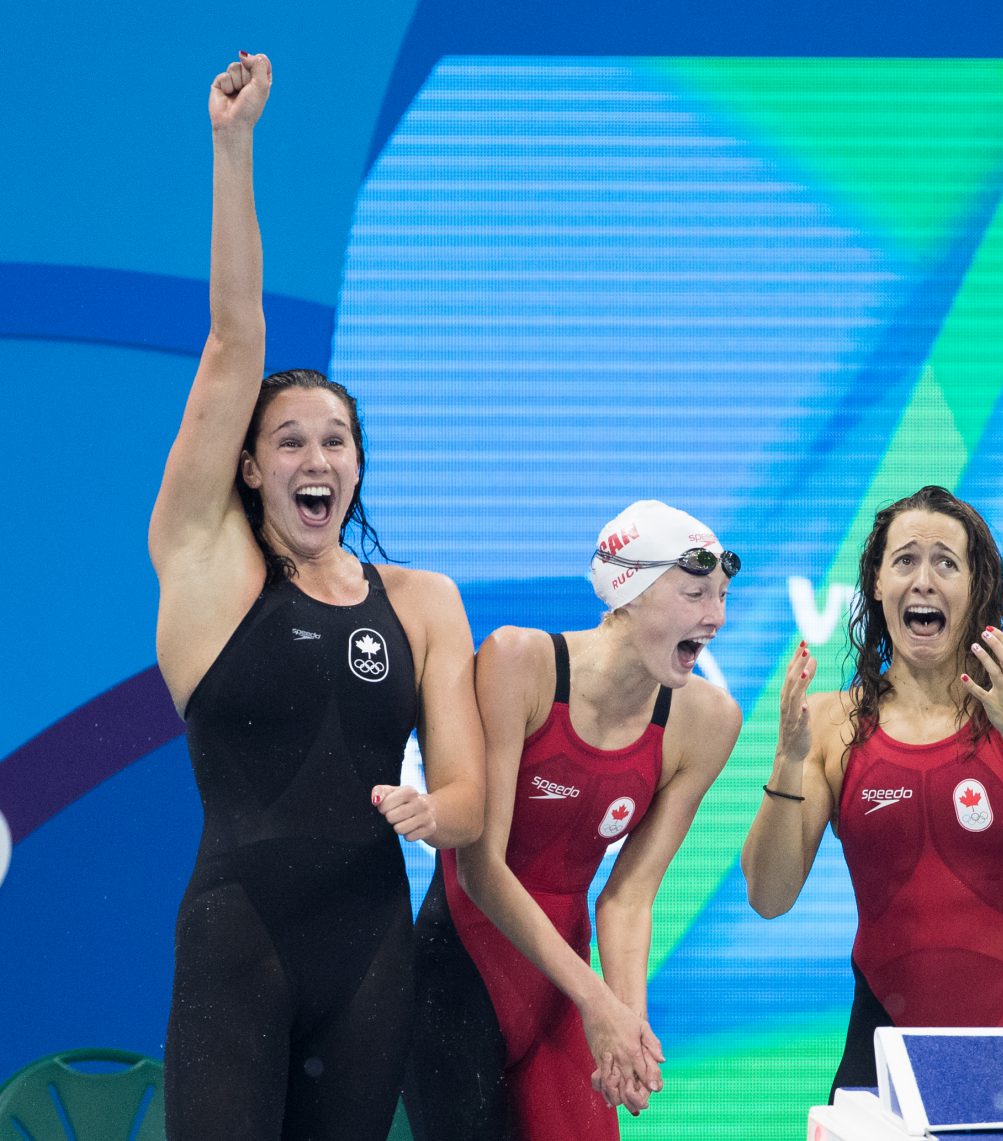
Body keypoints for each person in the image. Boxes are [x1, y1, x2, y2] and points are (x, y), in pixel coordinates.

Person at [148, 53, 485, 1139]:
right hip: (237, 942)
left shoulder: (424, 600)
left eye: (334, 440)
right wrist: (231, 145)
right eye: (287, 439)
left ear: (356, 465)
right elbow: (233, 339)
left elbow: (473, 801)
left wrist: (438, 813)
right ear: (247, 466)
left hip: (373, 946)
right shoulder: (208, 566)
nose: (315, 456)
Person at [741, 485, 1003, 1096]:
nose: (923, 580)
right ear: (876, 586)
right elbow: (768, 895)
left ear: (976, 590)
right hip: (881, 1046)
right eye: (904, 561)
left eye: (946, 561)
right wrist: (788, 763)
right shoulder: (834, 723)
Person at [403, 500, 743, 1141]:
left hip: (564, 988)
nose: (716, 617)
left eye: (723, 597)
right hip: (461, 972)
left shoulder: (708, 722)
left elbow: (630, 896)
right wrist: (598, 1003)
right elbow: (479, 867)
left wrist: (628, 1026)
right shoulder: (520, 664)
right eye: (696, 593)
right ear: (630, 592)